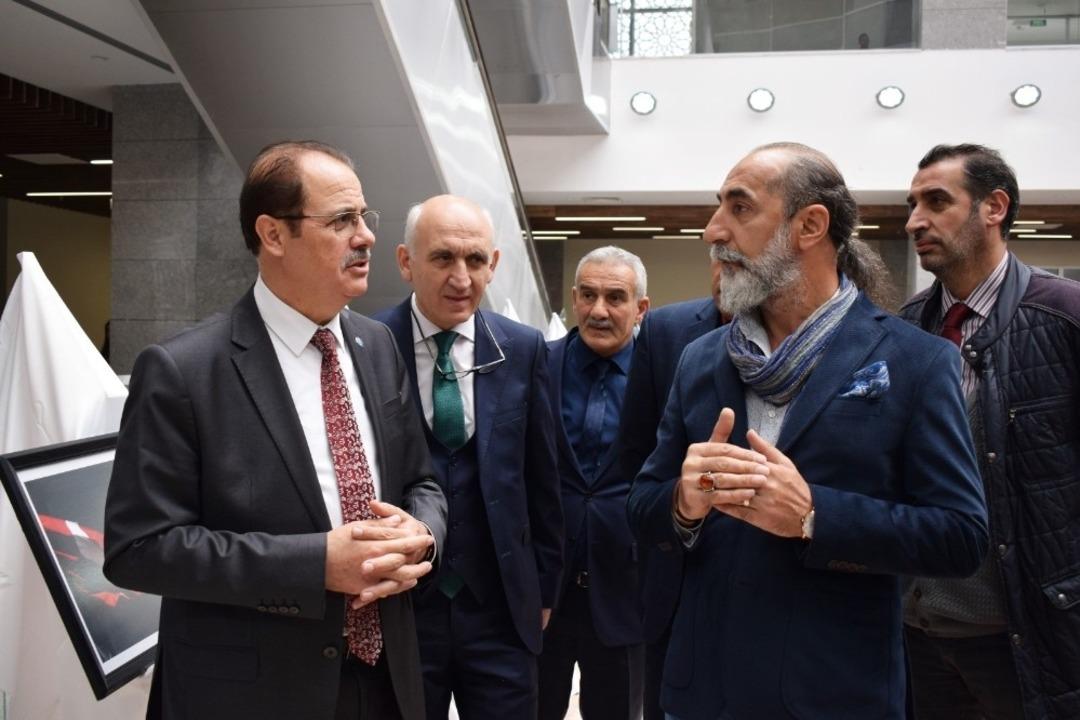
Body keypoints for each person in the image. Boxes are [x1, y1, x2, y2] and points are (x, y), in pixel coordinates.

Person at [625, 141, 989, 719]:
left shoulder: (915, 363)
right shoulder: (699, 359)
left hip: (836, 694)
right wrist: (683, 500)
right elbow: (642, 507)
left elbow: (960, 536)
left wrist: (815, 515)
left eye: (739, 208)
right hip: (701, 692)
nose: (713, 231)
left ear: (809, 225)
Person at [103, 140, 447, 720]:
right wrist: (314, 565)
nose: (364, 237)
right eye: (341, 220)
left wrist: (425, 536)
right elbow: (140, 548)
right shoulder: (184, 370)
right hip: (251, 693)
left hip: (387, 681)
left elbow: (423, 482)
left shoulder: (378, 344)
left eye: (364, 217)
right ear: (273, 234)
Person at [901, 143, 1080, 720]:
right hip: (916, 631)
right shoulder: (903, 331)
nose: (914, 221)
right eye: (912, 204)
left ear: (994, 207)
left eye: (936, 201)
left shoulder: (1064, 317)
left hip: (1032, 632)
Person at [373, 195, 563, 719]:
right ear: (406, 262)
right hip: (403, 608)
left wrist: (543, 589)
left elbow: (544, 477)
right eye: (442, 258)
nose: (462, 276)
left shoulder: (522, 348)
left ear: (494, 265)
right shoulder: (367, 345)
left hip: (501, 607)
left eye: (476, 260)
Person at [539, 246, 650, 720]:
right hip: (545, 595)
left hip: (627, 593)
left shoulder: (663, 374)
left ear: (641, 308)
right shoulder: (538, 366)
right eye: (587, 295)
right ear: (573, 298)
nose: (598, 310)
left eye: (615, 297)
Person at [616, 251, 727, 720]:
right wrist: (681, 505)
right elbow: (635, 460)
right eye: (719, 254)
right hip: (675, 577)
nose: (727, 265)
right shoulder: (666, 332)